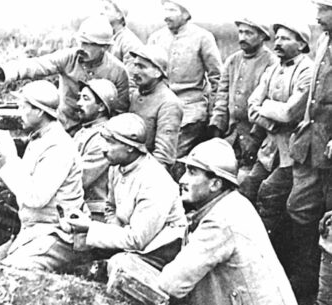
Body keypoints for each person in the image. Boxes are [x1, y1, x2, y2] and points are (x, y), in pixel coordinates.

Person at [156, 138, 297, 305]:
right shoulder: (232, 204)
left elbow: (171, 283)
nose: (182, 180)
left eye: (192, 172)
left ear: (215, 184)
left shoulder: (220, 220)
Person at [61, 113, 187, 270]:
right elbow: (110, 207)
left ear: (129, 146)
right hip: (128, 241)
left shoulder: (155, 182)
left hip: (157, 253)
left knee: (111, 264)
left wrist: (90, 227)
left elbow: (138, 240)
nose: (103, 148)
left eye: (110, 142)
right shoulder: (117, 167)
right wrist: (113, 229)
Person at [0, 80, 84, 272]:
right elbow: (24, 181)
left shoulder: (58, 146)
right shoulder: (40, 138)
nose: (19, 112)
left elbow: (36, 197)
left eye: (23, 107)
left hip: (57, 234)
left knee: (8, 272)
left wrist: (10, 155)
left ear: (38, 111)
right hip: (33, 232)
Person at [0, 15, 129, 135]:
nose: (82, 48)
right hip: (64, 126)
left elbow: (119, 112)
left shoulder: (118, 71)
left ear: (104, 47)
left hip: (96, 135)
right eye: (81, 41)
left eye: (88, 44)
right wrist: (1, 71)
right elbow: (37, 65)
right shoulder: (69, 57)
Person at [246, 22, 312, 277]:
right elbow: (253, 105)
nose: (278, 43)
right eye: (277, 38)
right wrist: (273, 117)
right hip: (268, 150)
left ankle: (270, 265)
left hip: (292, 154)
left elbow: (290, 113)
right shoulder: (272, 69)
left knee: (269, 196)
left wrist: (268, 112)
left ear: (302, 44)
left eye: (285, 38)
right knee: (247, 189)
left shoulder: (308, 71)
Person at [287, 0, 332, 300]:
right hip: (312, 143)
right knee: (299, 207)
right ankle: (303, 282)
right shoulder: (324, 40)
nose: (317, 16)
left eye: (324, 9)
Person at [148, 0, 222, 164]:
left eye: (172, 10)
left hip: (189, 110)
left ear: (186, 13)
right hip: (159, 107)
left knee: (171, 157)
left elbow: (217, 78)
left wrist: (213, 113)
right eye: (164, 10)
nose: (166, 15)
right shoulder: (156, 38)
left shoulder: (203, 37)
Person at [208, 18, 277, 174]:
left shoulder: (272, 62)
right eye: (241, 32)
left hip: (257, 137)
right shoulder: (233, 60)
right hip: (231, 134)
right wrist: (216, 128)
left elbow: (267, 104)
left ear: (262, 36)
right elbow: (222, 95)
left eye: (249, 33)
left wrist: (255, 138)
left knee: (247, 179)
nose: (242, 37)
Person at [129, 45, 183, 169]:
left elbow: (163, 156)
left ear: (157, 72)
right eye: (135, 65)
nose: (135, 71)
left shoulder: (169, 103)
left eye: (142, 67)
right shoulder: (135, 94)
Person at [73, 78, 118, 221]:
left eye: (85, 99)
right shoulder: (84, 132)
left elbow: (80, 177)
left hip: (95, 213)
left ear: (101, 107)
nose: (78, 103)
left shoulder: (104, 137)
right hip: (80, 207)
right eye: (79, 97)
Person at [100, 0, 143, 80]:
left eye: (106, 9)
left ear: (119, 15)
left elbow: (131, 78)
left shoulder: (129, 42)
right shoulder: (103, 37)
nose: (101, 12)